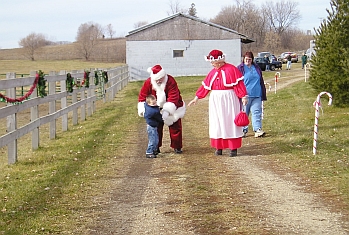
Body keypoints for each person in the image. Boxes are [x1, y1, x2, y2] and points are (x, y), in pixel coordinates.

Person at [188, 49, 248, 157]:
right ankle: (218, 147)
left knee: (230, 121)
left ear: (219, 61)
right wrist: (197, 97)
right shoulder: (212, 72)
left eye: (213, 62)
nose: (211, 64)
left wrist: (243, 96)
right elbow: (205, 86)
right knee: (217, 122)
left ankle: (233, 148)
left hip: (229, 98)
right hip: (216, 99)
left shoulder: (232, 69)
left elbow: (238, 84)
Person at [138, 64, 186, 154]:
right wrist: (144, 109)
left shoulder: (170, 80)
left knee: (175, 127)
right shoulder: (148, 82)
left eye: (161, 78)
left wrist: (167, 110)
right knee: (156, 129)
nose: (159, 80)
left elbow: (174, 96)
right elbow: (143, 96)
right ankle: (156, 147)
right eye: (157, 79)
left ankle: (177, 146)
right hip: (155, 108)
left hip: (173, 106)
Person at [237, 51, 267, 138]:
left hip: (257, 94)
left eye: (249, 59)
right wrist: (241, 94)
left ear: (252, 60)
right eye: (246, 59)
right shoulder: (240, 68)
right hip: (245, 95)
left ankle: (257, 129)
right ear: (243, 59)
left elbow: (261, 80)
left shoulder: (256, 67)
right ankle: (243, 130)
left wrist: (263, 93)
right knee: (244, 113)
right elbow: (237, 82)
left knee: (256, 112)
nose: (248, 61)